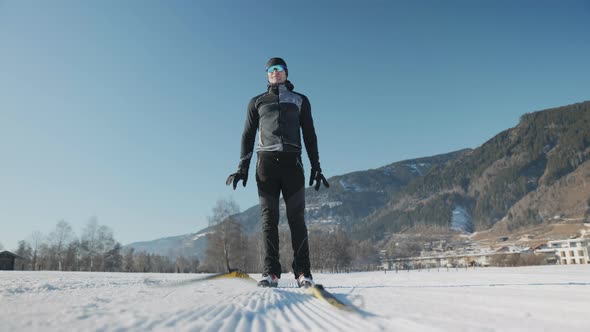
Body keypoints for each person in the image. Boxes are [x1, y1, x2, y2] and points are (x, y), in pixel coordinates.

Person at [226, 57, 329, 288]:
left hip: (293, 164)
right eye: (271, 69)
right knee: (268, 220)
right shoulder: (257, 102)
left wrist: (317, 165)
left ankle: (303, 272)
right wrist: (242, 167)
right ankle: (270, 272)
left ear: (286, 72)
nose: (275, 72)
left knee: (297, 219)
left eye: (279, 68)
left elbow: (310, 134)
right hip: (266, 165)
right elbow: (247, 136)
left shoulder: (301, 100)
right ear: (266, 74)